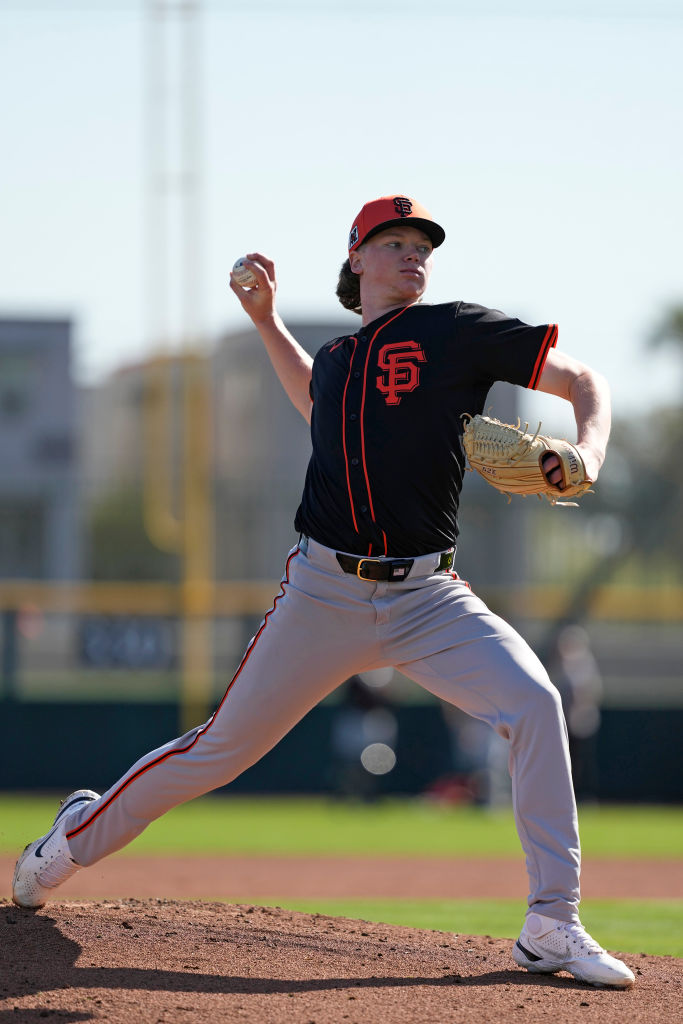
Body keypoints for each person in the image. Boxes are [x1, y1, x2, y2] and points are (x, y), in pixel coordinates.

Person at [12, 194, 634, 989]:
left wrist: (588, 448)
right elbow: (315, 402)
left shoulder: (455, 330)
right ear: (356, 258)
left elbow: (583, 376)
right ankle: (67, 842)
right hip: (323, 593)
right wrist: (267, 322)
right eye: (394, 241)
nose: (413, 255)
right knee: (217, 751)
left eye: (421, 245)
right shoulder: (339, 360)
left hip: (428, 595)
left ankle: (553, 923)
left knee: (535, 703)